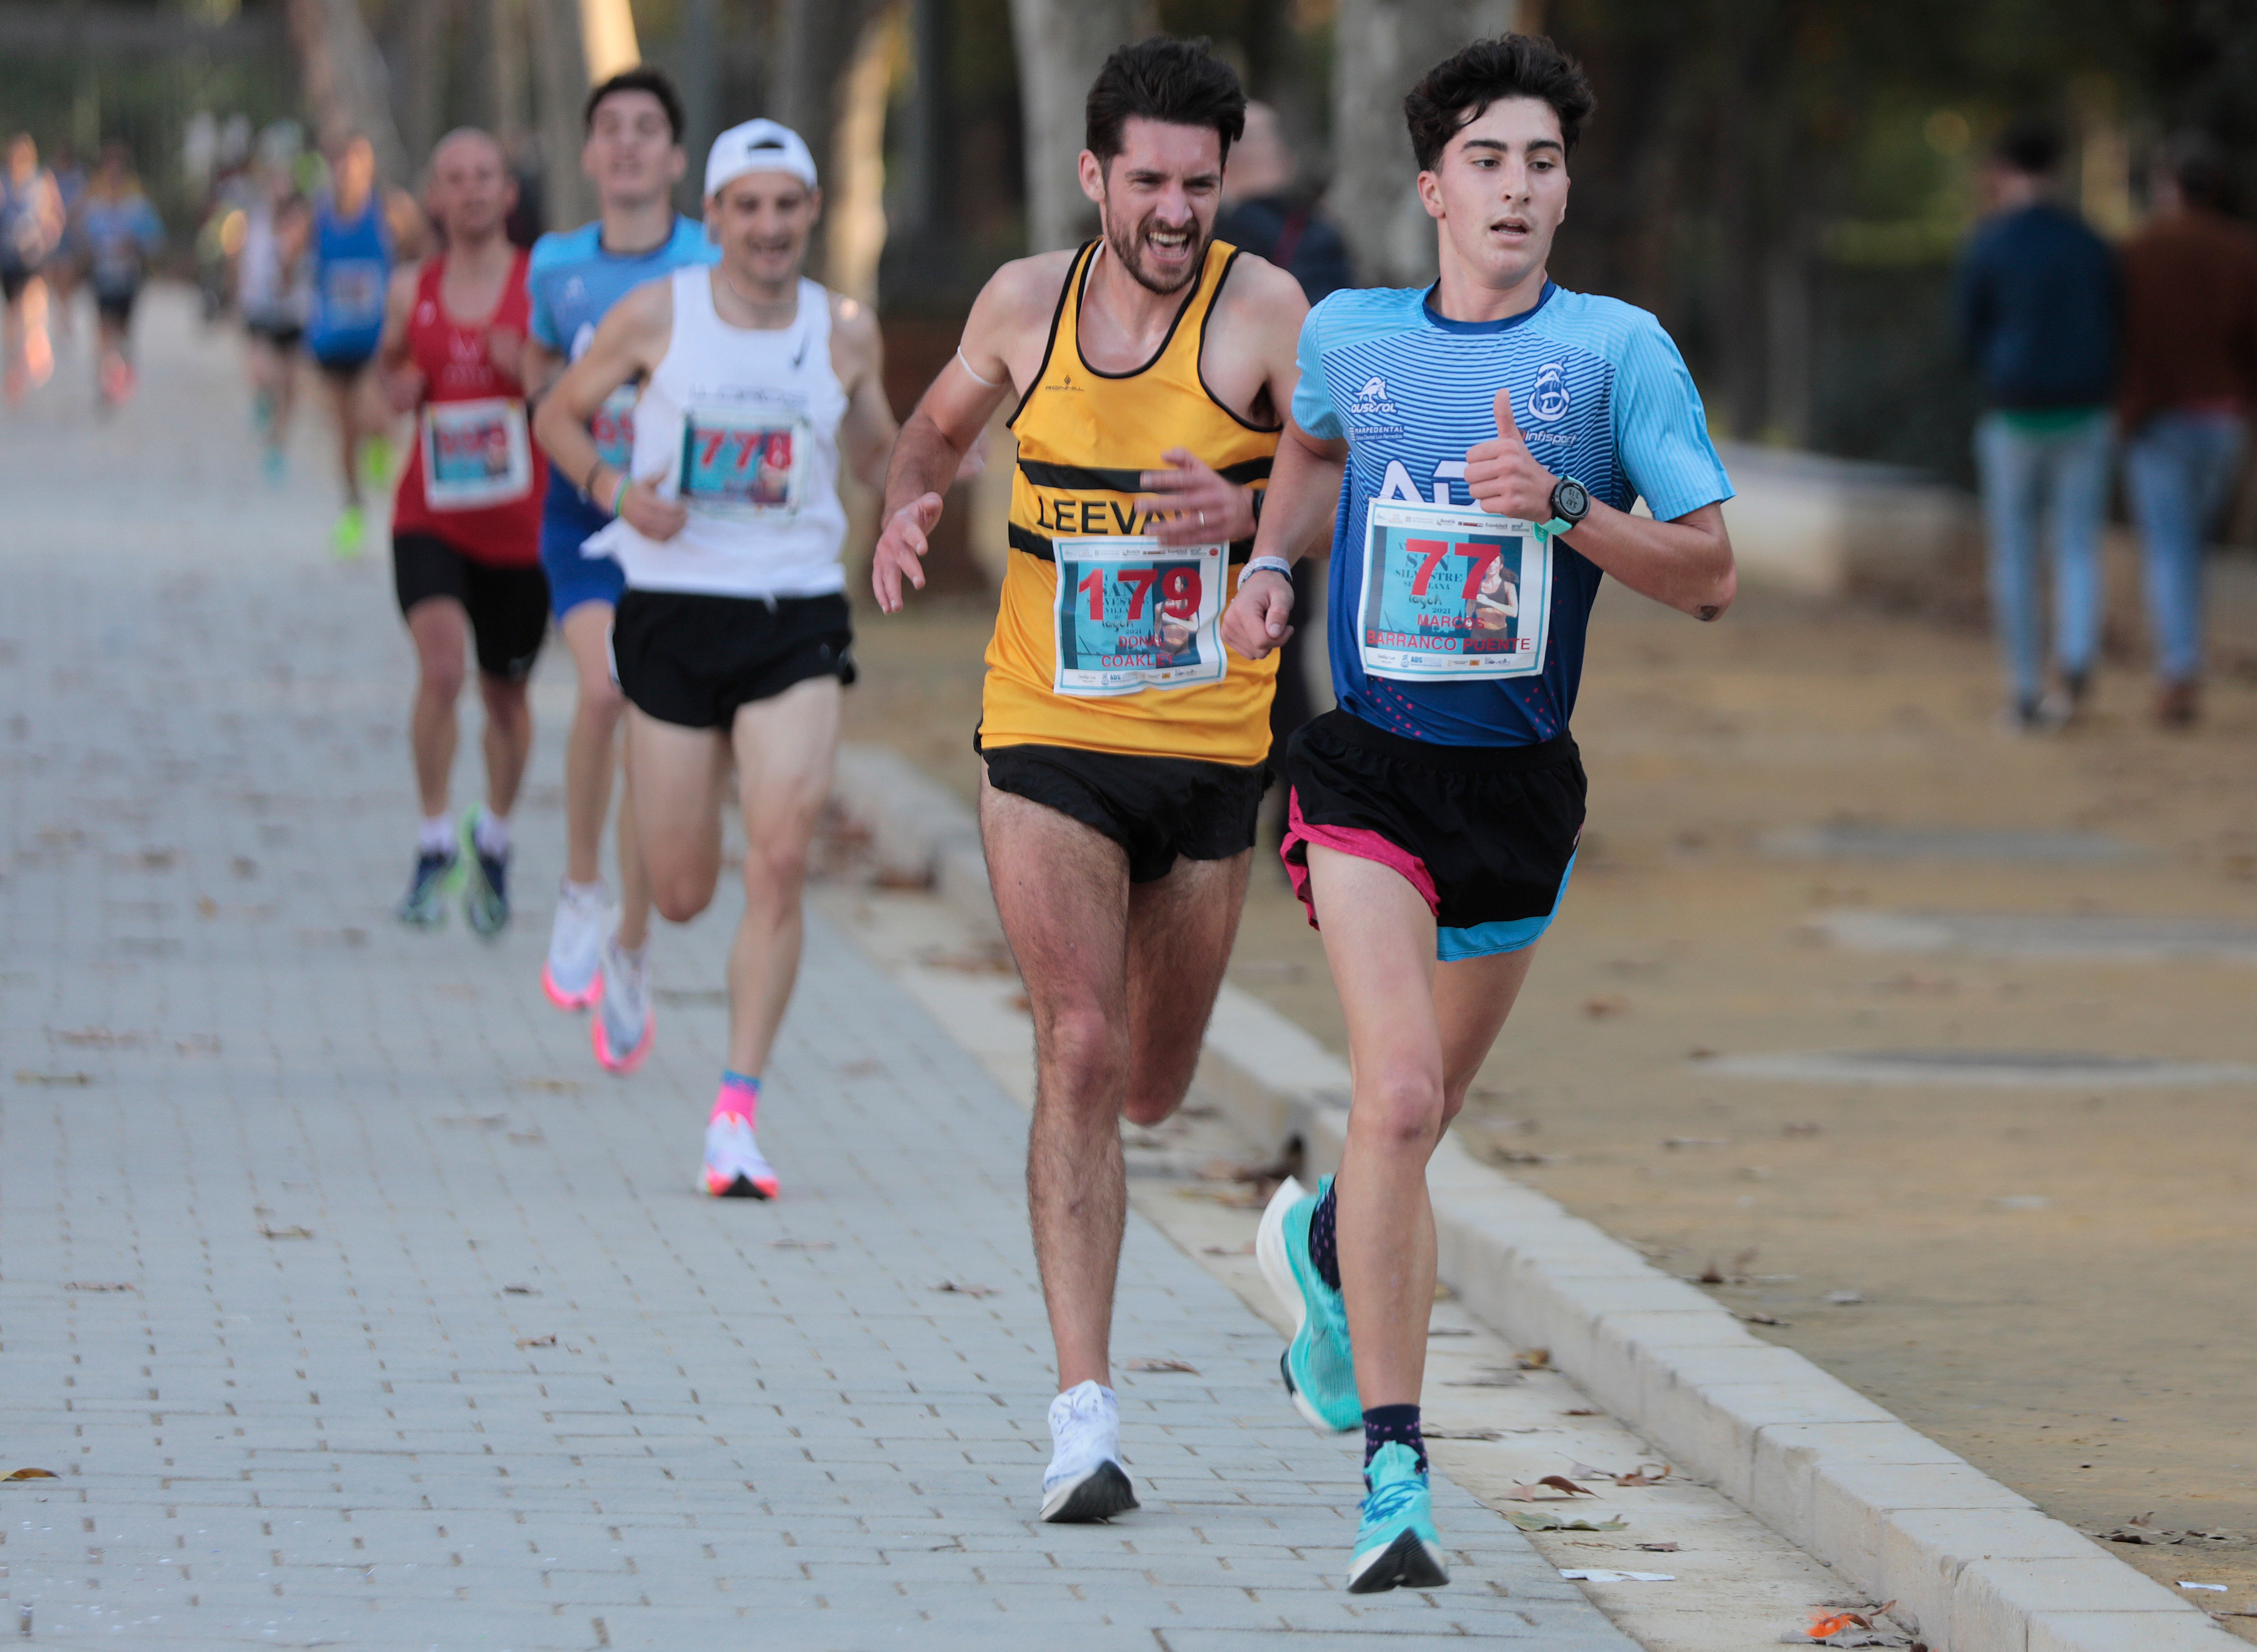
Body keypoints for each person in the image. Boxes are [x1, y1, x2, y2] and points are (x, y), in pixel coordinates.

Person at [1222, 34, 1734, 1593]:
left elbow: (1709, 571)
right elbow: (1309, 444)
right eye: (1491, 162)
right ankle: (1396, 1474)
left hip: (1516, 791)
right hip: (1368, 770)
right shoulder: (1352, 330)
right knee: (1387, 1105)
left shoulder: (1613, 354)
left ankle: (1320, 1249)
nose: (1519, 189)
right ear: (1432, 187)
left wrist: (1566, 509)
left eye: (1544, 163)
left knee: (1419, 1117)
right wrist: (1264, 562)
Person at [871, 37, 1307, 1525]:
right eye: (1148, 182)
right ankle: (1082, 1421)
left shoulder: (1266, 314)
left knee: (1155, 1079)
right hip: (1044, 728)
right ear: (1092, 176)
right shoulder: (1020, 303)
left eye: (1200, 182)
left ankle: (1211, 1236)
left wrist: (1247, 514)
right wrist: (903, 508)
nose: (1175, 211)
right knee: (1076, 1047)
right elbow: (929, 426)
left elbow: (1347, 471)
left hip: (1204, 753)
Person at [535, 119, 900, 1200]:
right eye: (747, 206)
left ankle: (735, 1112)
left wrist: (930, 464)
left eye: (788, 205)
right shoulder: (658, 313)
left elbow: (878, 451)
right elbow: (558, 413)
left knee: (779, 860)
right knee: (689, 885)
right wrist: (614, 494)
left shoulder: (844, 331)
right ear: (718, 217)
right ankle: (636, 940)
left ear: (813, 212)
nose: (769, 226)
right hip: (673, 612)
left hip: (793, 611)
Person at [521, 67, 718, 1073]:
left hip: (686, 535)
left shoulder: (709, 261)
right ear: (590, 153)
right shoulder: (555, 264)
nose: (630, 144)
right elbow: (535, 377)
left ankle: (632, 947)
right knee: (604, 689)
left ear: (677, 157)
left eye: (649, 127)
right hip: (587, 519)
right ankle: (580, 887)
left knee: (658, 739)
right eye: (612, 129)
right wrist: (597, 465)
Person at [378, 129, 550, 934]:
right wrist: (400, 388)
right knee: (442, 672)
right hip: (430, 516)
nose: (474, 190)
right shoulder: (410, 289)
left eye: (488, 175)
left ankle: (498, 839)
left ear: (508, 194)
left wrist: (534, 374)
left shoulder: (539, 286)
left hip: (522, 529)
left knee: (506, 696)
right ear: (436, 198)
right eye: (457, 178)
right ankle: (434, 836)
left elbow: (573, 391)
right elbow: (385, 377)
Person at [1215, 99, 1355, 828]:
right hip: (1311, 469)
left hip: (1233, 467)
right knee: (1286, 633)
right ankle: (1295, 802)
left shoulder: (1221, 241)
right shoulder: (1325, 239)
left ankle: (1288, 792)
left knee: (1249, 635)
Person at [1954, 119, 2117, 732]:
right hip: (2085, 412)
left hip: (2014, 414)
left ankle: (2023, 687)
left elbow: (1966, 333)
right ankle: (2075, 653)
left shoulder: (1990, 242)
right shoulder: (2088, 241)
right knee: (2076, 543)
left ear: (2003, 167)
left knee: (2014, 552)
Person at [2116, 138, 2257, 729]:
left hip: (2160, 419)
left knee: (2168, 548)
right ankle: (2182, 657)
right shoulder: (2241, 252)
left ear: (2167, 188)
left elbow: (2121, 337)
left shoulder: (2137, 251)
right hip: (2223, 418)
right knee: (2190, 547)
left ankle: (2178, 669)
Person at [309, 136, 410, 557]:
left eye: (357, 164)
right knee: (344, 431)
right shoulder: (319, 216)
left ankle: (382, 446)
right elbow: (291, 258)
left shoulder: (391, 211)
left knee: (375, 415)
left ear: (369, 168)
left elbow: (427, 250)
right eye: (341, 164)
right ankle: (352, 510)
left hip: (377, 339)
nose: (348, 172)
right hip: (332, 340)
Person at [75, 143, 166, 408]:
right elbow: (82, 239)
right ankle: (106, 382)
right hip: (102, 278)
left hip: (128, 279)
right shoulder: (94, 206)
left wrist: (134, 246)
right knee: (103, 330)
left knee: (123, 332)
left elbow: (156, 240)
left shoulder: (137, 207)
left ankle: (123, 371)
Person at [240, 174, 315, 482]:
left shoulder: (306, 236)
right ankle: (263, 400)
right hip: (261, 311)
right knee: (264, 372)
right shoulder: (257, 227)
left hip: (295, 317)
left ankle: (278, 445)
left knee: (290, 387)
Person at [1, 134, 66, 404]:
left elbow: (56, 215)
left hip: (34, 257)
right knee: (13, 316)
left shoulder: (42, 182)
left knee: (34, 304)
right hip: (7, 259)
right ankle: (18, 364)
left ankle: (38, 345)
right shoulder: (3, 184)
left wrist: (48, 235)